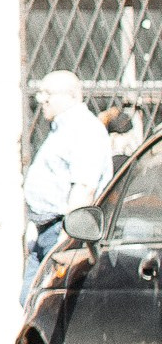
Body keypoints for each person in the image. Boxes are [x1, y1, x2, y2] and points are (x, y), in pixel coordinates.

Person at [20, 69, 115, 301]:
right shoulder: (62, 128)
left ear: (72, 95)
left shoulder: (84, 129)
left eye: (48, 93)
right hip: (47, 230)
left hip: (65, 231)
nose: (41, 99)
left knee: (47, 304)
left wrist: (67, 238)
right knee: (30, 299)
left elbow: (84, 188)